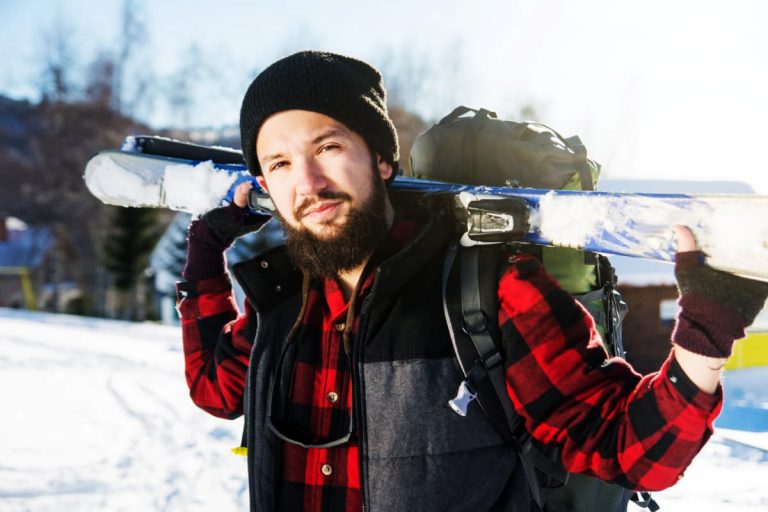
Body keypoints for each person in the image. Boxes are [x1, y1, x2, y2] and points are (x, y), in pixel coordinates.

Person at [176, 50, 768, 512]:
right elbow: (217, 391)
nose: (306, 181)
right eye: (278, 164)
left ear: (382, 160)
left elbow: (621, 445)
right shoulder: (284, 299)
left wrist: (703, 342)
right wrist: (206, 247)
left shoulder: (486, 287)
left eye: (328, 146)